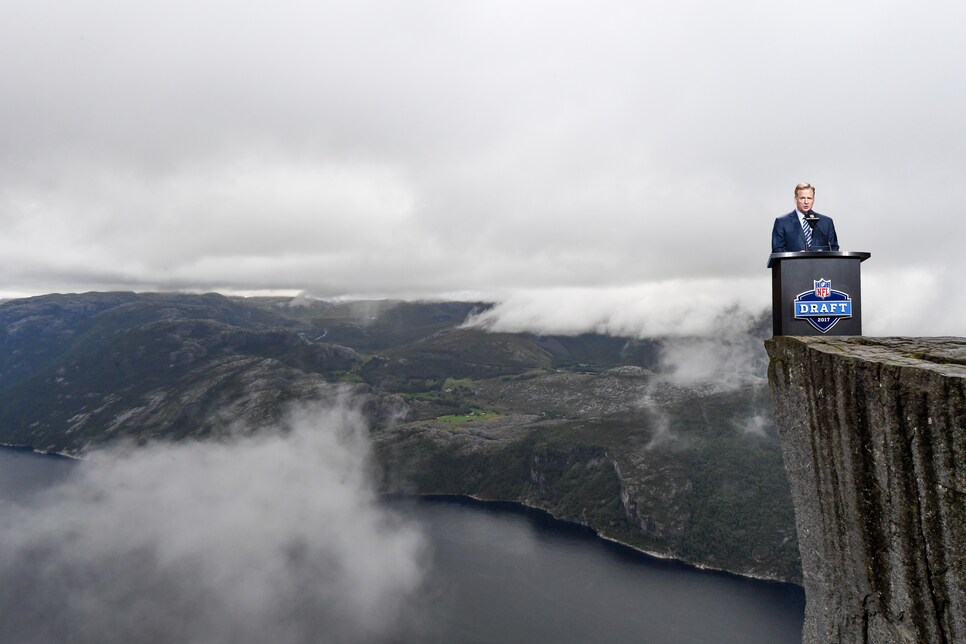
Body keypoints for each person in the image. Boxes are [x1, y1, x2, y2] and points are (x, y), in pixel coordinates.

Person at [771, 182, 839, 252]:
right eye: (802, 198)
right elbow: (777, 250)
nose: (806, 202)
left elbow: (834, 248)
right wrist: (797, 256)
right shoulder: (782, 222)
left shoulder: (826, 222)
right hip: (794, 263)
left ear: (813, 200)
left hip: (821, 263)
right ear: (795, 199)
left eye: (809, 198)